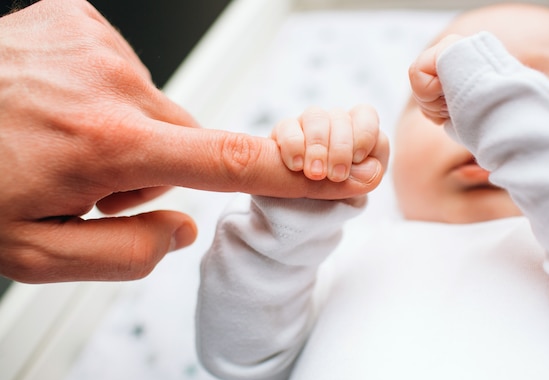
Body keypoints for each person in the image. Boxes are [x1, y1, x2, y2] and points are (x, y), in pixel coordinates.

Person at [196, 3, 549, 380]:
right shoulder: (347, 251)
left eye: (544, 91)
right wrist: (288, 223)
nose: (477, 120)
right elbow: (243, 359)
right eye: (445, 97)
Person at [0, 0, 385, 284]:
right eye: (434, 106)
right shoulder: (358, 258)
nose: (448, 117)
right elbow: (249, 352)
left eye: (450, 121)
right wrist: (298, 218)